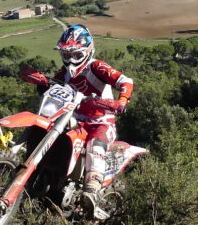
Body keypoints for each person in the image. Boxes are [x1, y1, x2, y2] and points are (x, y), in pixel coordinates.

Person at [19, 24, 133, 213]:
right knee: (48, 131)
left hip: (101, 121)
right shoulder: (64, 73)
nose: (71, 60)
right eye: (66, 55)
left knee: (95, 145)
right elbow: (54, 87)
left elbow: (125, 81)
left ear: (87, 52)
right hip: (73, 118)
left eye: (76, 55)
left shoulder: (96, 67)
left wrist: (122, 100)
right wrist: (42, 82)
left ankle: (92, 190)